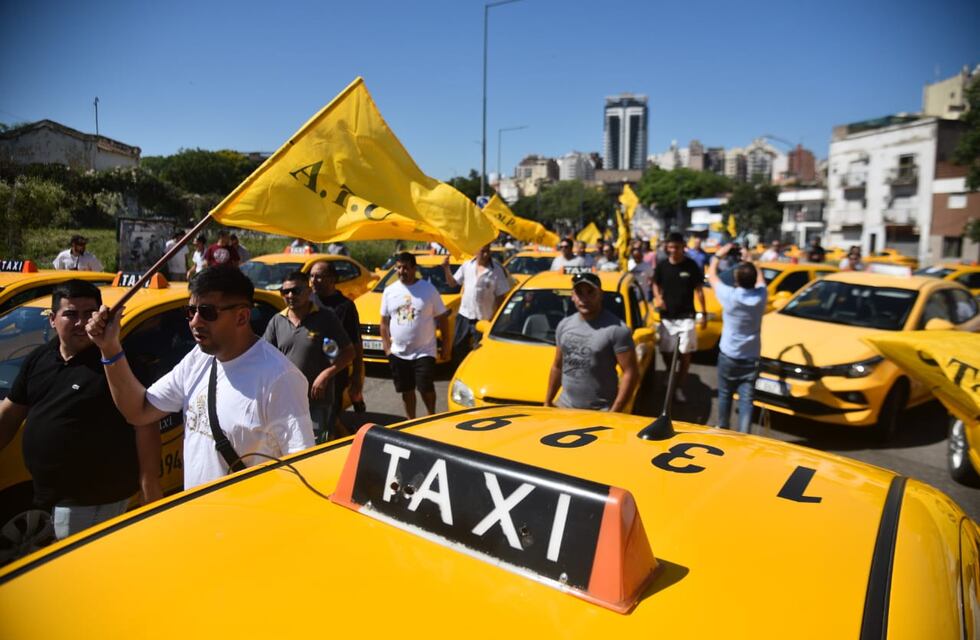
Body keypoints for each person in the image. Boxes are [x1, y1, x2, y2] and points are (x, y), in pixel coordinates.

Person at [85, 266, 314, 490]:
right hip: (197, 519)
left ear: (242, 317)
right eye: (190, 311)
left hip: (246, 523)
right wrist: (109, 348)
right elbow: (139, 410)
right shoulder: (199, 359)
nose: (195, 322)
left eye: (207, 312)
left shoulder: (279, 378)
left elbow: (303, 470)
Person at [0, 280, 160, 540]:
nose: (81, 322)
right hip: (43, 496)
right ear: (52, 319)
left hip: (94, 500)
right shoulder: (40, 358)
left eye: (89, 314)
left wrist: (149, 483)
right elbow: (10, 413)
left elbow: (145, 421)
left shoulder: (116, 364)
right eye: (71, 314)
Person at [263, 271, 353, 444]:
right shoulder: (277, 320)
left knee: (316, 447)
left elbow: (349, 352)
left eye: (296, 291)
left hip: (317, 399)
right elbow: (265, 357)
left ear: (309, 291)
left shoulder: (326, 317)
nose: (290, 295)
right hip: (286, 399)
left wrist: (326, 374)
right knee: (288, 446)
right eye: (285, 291)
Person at [544, 272, 638, 412]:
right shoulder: (564, 325)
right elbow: (557, 366)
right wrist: (547, 402)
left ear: (600, 294)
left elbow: (631, 373)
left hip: (600, 412)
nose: (585, 299)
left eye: (590, 292)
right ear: (573, 296)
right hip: (564, 408)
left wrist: (615, 412)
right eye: (579, 293)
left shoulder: (617, 329)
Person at [380, 252, 449, 418]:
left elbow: (442, 319)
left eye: (406, 267)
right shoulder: (389, 291)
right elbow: (384, 322)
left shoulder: (428, 289)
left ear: (414, 269)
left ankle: (431, 416)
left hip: (424, 351)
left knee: (425, 387)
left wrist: (446, 347)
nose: (402, 271)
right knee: (406, 389)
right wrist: (387, 347)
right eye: (398, 267)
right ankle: (411, 421)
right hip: (399, 352)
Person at [707, 244, 767, 433]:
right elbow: (760, 279)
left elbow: (712, 275)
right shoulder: (761, 295)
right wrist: (750, 260)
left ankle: (723, 428)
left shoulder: (729, 295)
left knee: (725, 394)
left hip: (729, 354)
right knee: (747, 399)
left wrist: (718, 255)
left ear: (736, 279)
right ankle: (744, 434)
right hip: (751, 356)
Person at [652, 232, 707, 403]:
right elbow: (655, 283)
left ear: (683, 247)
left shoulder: (691, 266)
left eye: (677, 247)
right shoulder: (662, 266)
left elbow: (699, 290)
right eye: (670, 247)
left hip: (687, 317)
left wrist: (703, 313)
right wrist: (658, 297)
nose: (673, 250)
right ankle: (670, 372)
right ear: (667, 248)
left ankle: (679, 386)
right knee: (666, 351)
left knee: (685, 353)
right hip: (667, 317)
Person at [311, 261, 365, 417]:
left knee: (330, 416)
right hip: (310, 371)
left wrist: (356, 375)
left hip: (335, 372)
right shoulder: (307, 302)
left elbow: (355, 342)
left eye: (319, 276)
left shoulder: (345, 306)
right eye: (312, 276)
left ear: (332, 279)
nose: (314, 280)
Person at [443, 244, 511, 362]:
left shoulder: (496, 270)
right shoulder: (467, 265)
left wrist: (494, 318)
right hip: (464, 316)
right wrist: (446, 268)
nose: (486, 254)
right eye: (483, 251)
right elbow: (453, 283)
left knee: (480, 352)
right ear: (475, 251)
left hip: (483, 319)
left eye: (488, 251)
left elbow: (501, 297)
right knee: (458, 349)